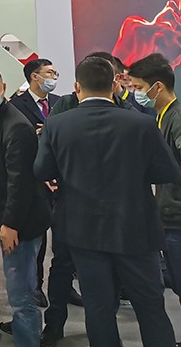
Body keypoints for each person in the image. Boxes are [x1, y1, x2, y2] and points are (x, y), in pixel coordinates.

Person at [34, 56, 180, 347]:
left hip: (83, 231)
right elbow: (168, 171)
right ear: (114, 85)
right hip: (136, 229)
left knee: (98, 309)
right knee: (150, 307)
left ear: (77, 87)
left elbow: (41, 171)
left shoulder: (58, 124)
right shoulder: (142, 123)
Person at [0, 65, 50, 346]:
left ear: (3, 88)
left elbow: (20, 182)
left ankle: (29, 340)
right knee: (21, 288)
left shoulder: (15, 126)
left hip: (21, 223)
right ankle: (26, 330)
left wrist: (10, 224)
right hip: (5, 215)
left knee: (21, 295)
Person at [128, 54, 181, 308]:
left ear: (157, 86)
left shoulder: (177, 119)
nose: (136, 93)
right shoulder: (161, 117)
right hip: (168, 216)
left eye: (139, 87)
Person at [8, 58, 61, 307]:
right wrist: (34, 133)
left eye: (55, 73)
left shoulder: (60, 102)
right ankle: (36, 286)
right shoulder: (17, 106)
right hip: (34, 180)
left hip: (61, 179)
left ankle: (62, 285)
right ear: (34, 76)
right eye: (49, 73)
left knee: (63, 238)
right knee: (36, 240)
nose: (53, 77)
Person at [51, 52, 138, 115]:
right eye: (89, 75)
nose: (95, 79)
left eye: (103, 74)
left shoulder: (137, 104)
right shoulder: (67, 103)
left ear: (118, 79)